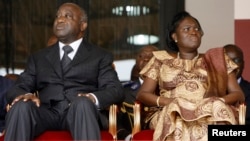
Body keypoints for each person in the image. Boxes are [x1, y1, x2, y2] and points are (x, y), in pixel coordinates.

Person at [4, 2, 124, 141]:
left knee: (83, 103)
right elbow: (18, 87)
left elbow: (116, 90)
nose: (60, 19)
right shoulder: (39, 57)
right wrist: (26, 95)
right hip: (46, 113)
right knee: (22, 106)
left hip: (80, 112)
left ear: (83, 25)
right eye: (58, 16)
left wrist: (91, 98)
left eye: (68, 16)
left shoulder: (99, 56)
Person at [136, 11, 245, 141]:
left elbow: (238, 94)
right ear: (174, 36)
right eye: (187, 29)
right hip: (172, 112)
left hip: (209, 111)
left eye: (197, 29)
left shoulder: (218, 59)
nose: (194, 32)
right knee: (177, 116)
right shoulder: (160, 60)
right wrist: (170, 102)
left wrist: (217, 101)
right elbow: (142, 94)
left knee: (219, 112)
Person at [117, 45, 159, 140]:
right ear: (136, 61)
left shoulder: (167, 90)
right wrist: (127, 137)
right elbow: (115, 121)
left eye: (151, 56)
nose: (146, 59)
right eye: (141, 56)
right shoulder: (123, 91)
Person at [224, 44, 250, 125]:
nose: (232, 65)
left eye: (236, 60)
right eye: (226, 60)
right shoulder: (206, 90)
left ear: (243, 64)